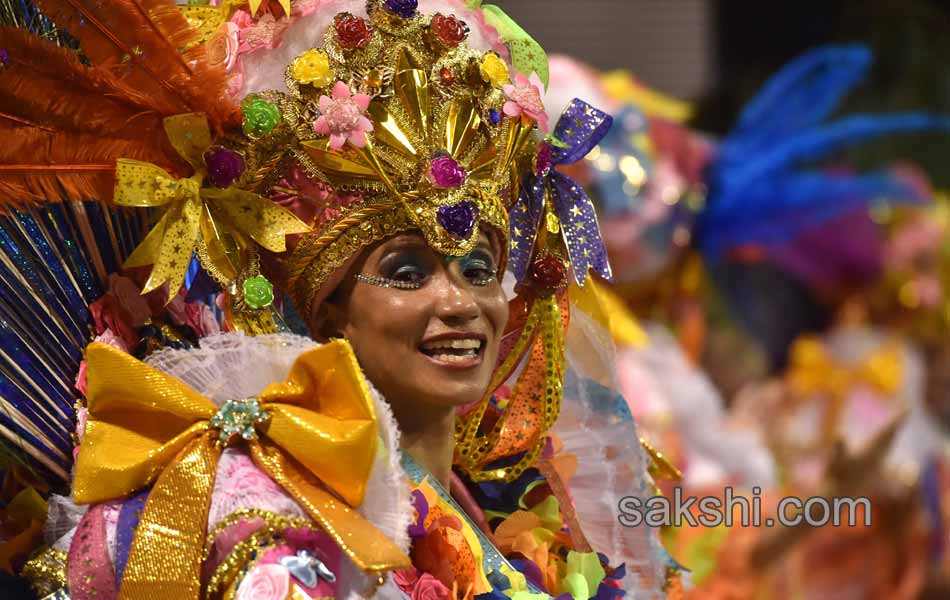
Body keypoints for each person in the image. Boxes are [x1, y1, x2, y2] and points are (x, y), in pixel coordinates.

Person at [0, 1, 674, 598]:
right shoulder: (280, 524)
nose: (461, 301)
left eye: (478, 266)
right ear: (326, 312)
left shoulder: (504, 505)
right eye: (409, 272)